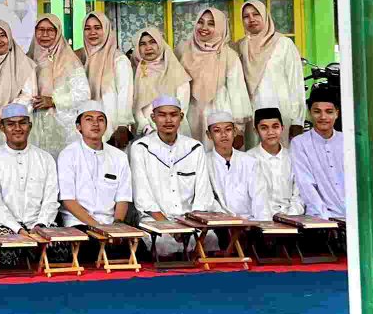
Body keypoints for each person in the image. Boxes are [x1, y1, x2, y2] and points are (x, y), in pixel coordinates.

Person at [128, 96, 214, 256]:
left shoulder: (195, 148)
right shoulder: (141, 148)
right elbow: (143, 196)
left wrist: (190, 224)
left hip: (191, 221)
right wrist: (170, 228)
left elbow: (203, 194)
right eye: (162, 115)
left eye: (173, 115)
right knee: (163, 243)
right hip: (155, 220)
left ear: (181, 117)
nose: (168, 120)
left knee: (210, 239)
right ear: (153, 117)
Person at [0, 103, 61, 234]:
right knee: (11, 245)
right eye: (11, 124)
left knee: (57, 244)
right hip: (2, 224)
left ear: (30, 126)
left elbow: (51, 199)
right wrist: (17, 229)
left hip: (39, 224)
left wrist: (41, 224)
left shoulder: (46, 159)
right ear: (2, 128)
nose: (17, 128)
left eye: (22, 123)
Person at [176, 8, 252, 141]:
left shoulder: (229, 55)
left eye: (211, 24)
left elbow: (237, 91)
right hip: (189, 113)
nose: (204, 27)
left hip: (220, 113)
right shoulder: (182, 50)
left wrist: (239, 128)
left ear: (220, 27)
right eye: (200, 22)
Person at [236, 1, 306, 142]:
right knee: (254, 152)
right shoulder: (241, 46)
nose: (251, 19)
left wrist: (297, 121)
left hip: (281, 112)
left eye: (256, 14)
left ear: (265, 16)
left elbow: (295, 83)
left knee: (280, 152)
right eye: (246, 16)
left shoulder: (284, 44)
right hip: (252, 114)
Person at [57, 103, 132, 229]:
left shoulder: (119, 157)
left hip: (110, 224)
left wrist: (117, 225)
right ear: (78, 126)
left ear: (106, 126)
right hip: (78, 223)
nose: (95, 124)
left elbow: (123, 198)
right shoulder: (68, 155)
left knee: (137, 242)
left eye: (100, 120)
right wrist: (98, 227)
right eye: (89, 119)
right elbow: (68, 200)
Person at [28, 17, 91, 156]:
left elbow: (83, 94)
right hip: (34, 128)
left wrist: (53, 101)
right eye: (40, 30)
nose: (45, 34)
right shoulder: (28, 59)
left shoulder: (70, 60)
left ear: (58, 32)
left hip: (63, 128)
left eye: (50, 30)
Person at [0, 18, 36, 157]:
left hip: (14, 128)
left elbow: (29, 97)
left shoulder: (24, 64)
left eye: (2, 35)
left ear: (9, 37)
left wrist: (0, 115)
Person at [77, 13, 134, 146]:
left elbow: (125, 93)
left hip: (112, 128)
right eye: (87, 28)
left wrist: (122, 125)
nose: (92, 32)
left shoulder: (118, 59)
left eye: (97, 28)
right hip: (84, 127)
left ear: (107, 30)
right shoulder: (80, 58)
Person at [290, 88, 346, 220]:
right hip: (319, 218)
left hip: (354, 216)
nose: (323, 117)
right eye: (317, 111)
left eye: (329, 112)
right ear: (309, 113)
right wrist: (325, 218)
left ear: (337, 113)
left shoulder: (348, 141)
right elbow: (305, 184)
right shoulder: (300, 143)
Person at [204, 110, 269, 222]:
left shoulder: (250, 162)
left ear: (235, 132)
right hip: (217, 224)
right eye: (217, 131)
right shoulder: (204, 162)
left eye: (228, 129)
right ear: (209, 135)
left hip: (249, 223)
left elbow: (260, 199)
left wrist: (260, 225)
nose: (224, 135)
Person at [132, 26, 192, 137]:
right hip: (147, 131)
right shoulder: (136, 71)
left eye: (152, 42)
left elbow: (182, 104)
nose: (148, 47)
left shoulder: (174, 69)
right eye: (143, 44)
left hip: (175, 130)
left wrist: (169, 124)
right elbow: (134, 105)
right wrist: (147, 127)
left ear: (160, 43)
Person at [248, 108, 303, 217]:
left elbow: (299, 196)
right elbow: (248, 200)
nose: (271, 132)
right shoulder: (248, 159)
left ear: (282, 128)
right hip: (259, 220)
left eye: (275, 127)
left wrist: (290, 216)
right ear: (256, 131)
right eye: (264, 128)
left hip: (291, 219)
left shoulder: (293, 158)